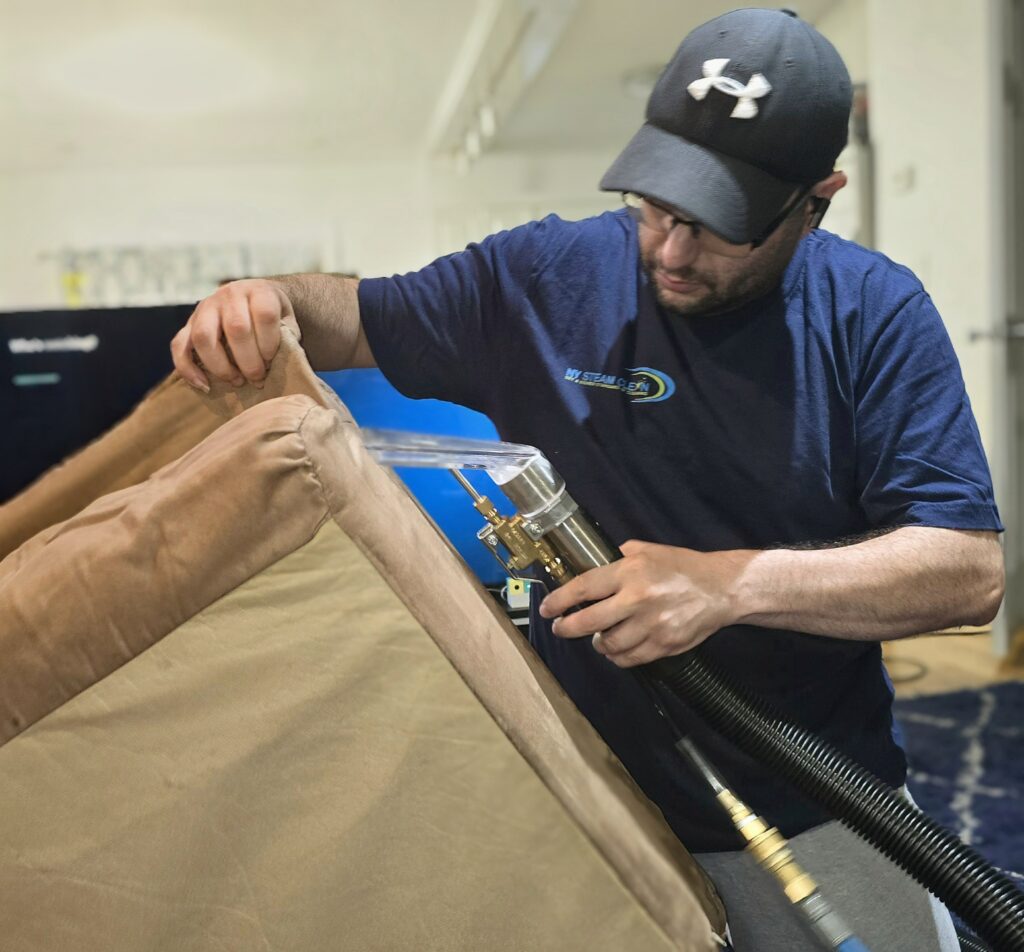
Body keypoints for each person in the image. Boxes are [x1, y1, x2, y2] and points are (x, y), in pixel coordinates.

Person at [171, 8, 1004, 950]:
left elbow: (965, 569)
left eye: (717, 225)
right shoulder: (546, 274)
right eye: (658, 206)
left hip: (809, 785)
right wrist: (267, 300)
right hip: (580, 789)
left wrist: (727, 586)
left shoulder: (875, 315)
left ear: (817, 200)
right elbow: (349, 317)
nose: (672, 251)